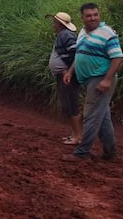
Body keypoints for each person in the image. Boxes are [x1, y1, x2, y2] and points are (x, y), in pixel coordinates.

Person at [62, 3, 123, 161]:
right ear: (82, 18)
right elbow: (80, 53)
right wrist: (70, 71)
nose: (93, 18)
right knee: (103, 118)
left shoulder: (107, 33)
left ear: (99, 15)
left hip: (100, 79)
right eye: (89, 16)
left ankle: (82, 153)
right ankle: (111, 153)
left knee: (90, 116)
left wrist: (107, 80)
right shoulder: (83, 32)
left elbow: (117, 58)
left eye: (95, 14)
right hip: (91, 80)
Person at [47, 12, 82, 145]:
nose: (53, 25)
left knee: (72, 104)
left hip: (68, 76)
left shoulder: (65, 35)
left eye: (54, 22)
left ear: (60, 24)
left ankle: (78, 136)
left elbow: (75, 54)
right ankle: (74, 134)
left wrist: (68, 72)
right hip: (66, 75)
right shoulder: (64, 35)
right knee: (69, 104)